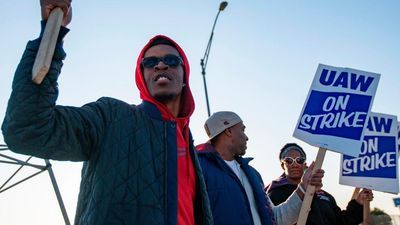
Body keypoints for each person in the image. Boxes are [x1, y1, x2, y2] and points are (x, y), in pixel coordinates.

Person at [1, 1, 213, 224]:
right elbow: (26, 129)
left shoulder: (189, 145)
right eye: (150, 62)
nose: (160, 65)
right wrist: (52, 34)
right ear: (142, 78)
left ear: (184, 76)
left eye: (171, 60)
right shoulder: (111, 117)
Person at [196, 111, 325, 225]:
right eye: (242, 130)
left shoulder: (252, 174)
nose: (246, 137)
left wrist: (304, 187)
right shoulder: (199, 169)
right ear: (228, 131)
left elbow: (276, 219)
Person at [265, 143, 374, 225]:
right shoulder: (274, 194)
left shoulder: (324, 196)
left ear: (305, 164)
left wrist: (359, 203)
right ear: (283, 165)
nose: (294, 164)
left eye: (299, 160)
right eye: (289, 160)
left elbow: (342, 222)